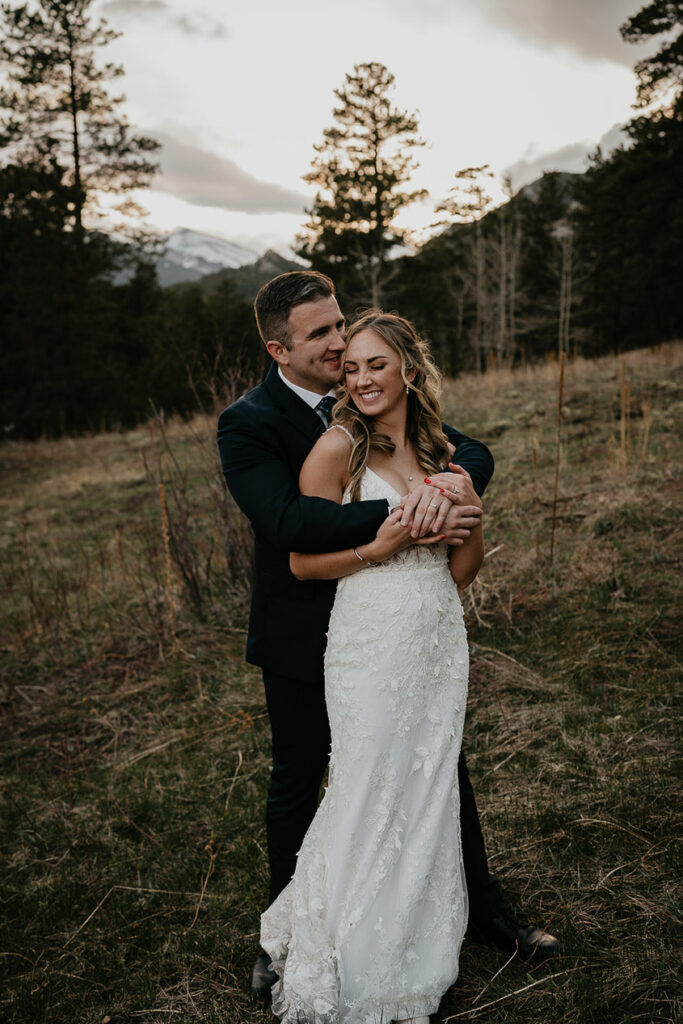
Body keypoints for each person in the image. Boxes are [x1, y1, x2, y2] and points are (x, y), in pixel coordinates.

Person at [216, 271, 559, 1006]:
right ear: (279, 348)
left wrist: (452, 487)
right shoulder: (250, 423)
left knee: (438, 767)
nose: (341, 346)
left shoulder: (393, 408)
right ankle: (288, 934)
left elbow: (471, 453)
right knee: (300, 777)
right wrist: (403, 523)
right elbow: (289, 529)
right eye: (323, 336)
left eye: (341, 326)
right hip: (314, 631)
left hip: (413, 632)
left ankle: (481, 910)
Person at [261, 310, 484, 1024]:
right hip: (368, 643)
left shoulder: (441, 451)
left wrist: (469, 520)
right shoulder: (335, 449)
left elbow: (461, 568)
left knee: (425, 785)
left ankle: (417, 926)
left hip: (435, 637)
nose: (358, 379)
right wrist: (379, 550)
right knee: (368, 784)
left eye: (374, 365)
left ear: (408, 371)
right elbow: (299, 562)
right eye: (349, 368)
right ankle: (349, 941)